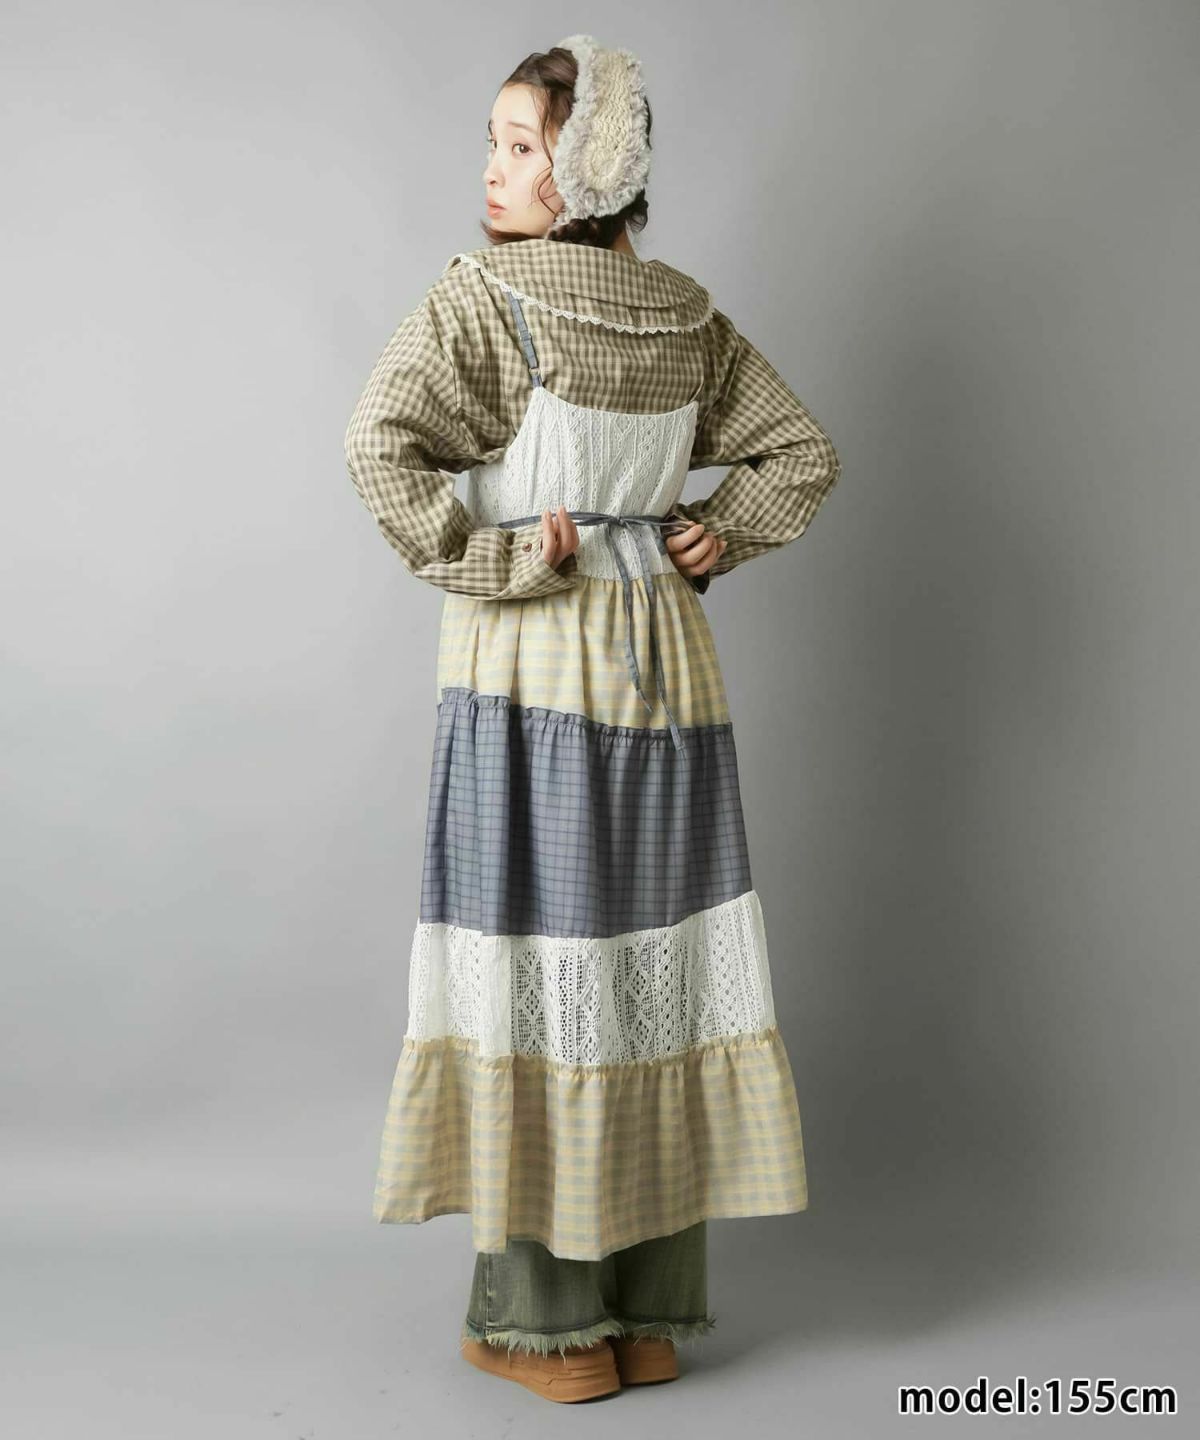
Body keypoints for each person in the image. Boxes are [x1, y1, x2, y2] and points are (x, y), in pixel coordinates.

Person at [343, 33, 842, 1405]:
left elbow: (379, 445)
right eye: (496, 142)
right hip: (668, 672)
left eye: (520, 147)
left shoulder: (483, 300)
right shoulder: (683, 313)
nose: (492, 170)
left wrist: (496, 557)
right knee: (646, 962)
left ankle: (546, 1324)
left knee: (542, 960)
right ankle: (648, 1313)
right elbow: (800, 453)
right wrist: (718, 532)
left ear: (589, 171)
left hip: (534, 670)